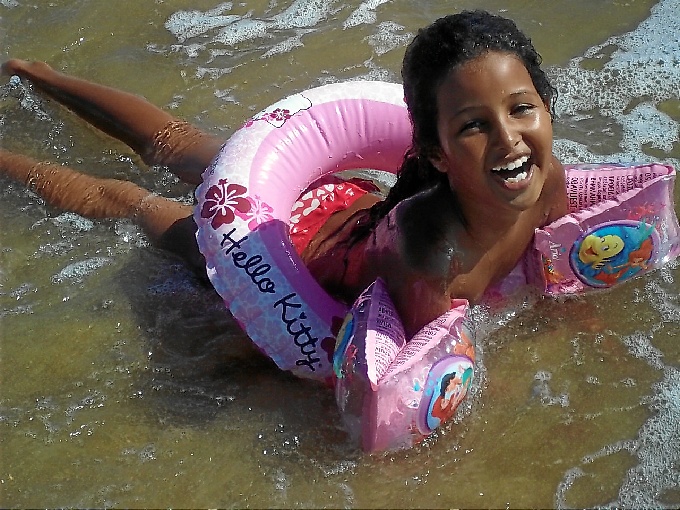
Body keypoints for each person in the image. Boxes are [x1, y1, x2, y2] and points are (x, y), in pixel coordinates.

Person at [0, 10, 568, 340]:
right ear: (437, 152)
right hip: (283, 252)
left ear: (544, 105)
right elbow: (415, 364)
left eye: (522, 108)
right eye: (473, 126)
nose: (508, 140)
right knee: (135, 202)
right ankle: (26, 92)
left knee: (181, 144)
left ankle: (33, 71)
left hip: (343, 207)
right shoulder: (428, 255)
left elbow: (558, 265)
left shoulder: (547, 180)